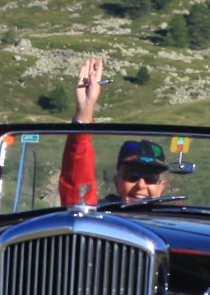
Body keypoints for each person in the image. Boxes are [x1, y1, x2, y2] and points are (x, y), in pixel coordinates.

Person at [58, 57, 168, 206]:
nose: (141, 185)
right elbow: (78, 201)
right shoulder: (103, 217)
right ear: (117, 182)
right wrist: (85, 112)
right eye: (132, 176)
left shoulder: (177, 218)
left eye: (150, 178)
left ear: (161, 186)